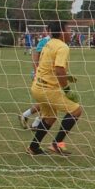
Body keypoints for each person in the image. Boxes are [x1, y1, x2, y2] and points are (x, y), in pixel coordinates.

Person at [27, 20, 84, 155]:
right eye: (69, 30)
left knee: (50, 118)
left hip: (37, 87)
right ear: (62, 32)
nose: (71, 33)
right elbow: (59, 69)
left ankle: (33, 148)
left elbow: (49, 66)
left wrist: (65, 76)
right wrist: (67, 90)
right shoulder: (63, 47)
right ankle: (56, 144)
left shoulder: (49, 43)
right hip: (48, 89)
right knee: (76, 111)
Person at [20, 26, 51, 130]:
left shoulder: (56, 42)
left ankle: (31, 120)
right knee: (47, 100)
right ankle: (32, 119)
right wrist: (37, 73)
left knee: (47, 101)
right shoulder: (44, 41)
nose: (43, 32)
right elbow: (35, 59)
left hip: (50, 76)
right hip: (41, 75)